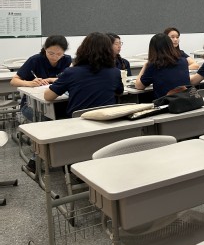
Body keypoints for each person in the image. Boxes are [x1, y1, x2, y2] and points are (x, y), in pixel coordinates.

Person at [11, 35, 72, 173]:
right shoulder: (35, 60)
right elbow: (14, 81)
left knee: (65, 121)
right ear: (45, 49)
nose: (55, 57)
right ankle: (36, 160)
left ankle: (63, 157)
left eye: (59, 54)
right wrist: (30, 83)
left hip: (57, 104)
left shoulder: (67, 60)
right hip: (31, 106)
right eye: (51, 53)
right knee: (47, 122)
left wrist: (51, 79)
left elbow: (70, 77)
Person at [44, 32, 124, 117]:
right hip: (105, 120)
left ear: (82, 49)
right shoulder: (115, 72)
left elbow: (48, 96)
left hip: (79, 121)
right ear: (109, 51)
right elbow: (119, 91)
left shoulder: (71, 72)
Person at [135, 33, 191, 99]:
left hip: (167, 102)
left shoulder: (154, 65)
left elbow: (139, 86)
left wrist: (145, 66)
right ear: (170, 45)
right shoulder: (183, 61)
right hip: (186, 100)